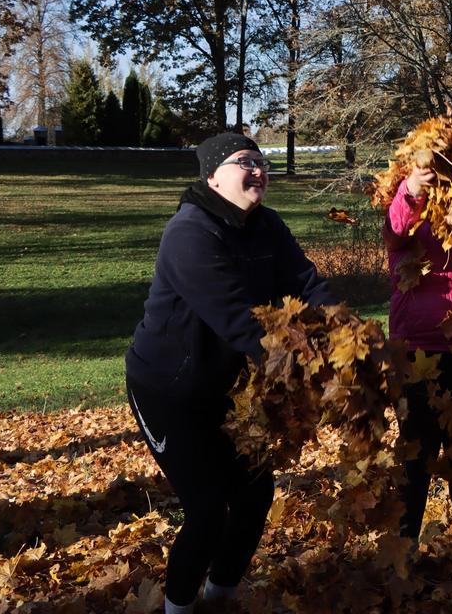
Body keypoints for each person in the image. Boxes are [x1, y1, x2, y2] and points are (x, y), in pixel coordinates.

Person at [125, 133, 337, 614]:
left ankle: (221, 597)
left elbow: (305, 283)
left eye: (262, 162)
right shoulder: (190, 233)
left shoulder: (267, 226)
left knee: (255, 494)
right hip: (168, 389)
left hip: (229, 388)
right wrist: (312, 363)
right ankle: (178, 608)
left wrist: (345, 335)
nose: (258, 170)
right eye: (246, 162)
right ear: (214, 175)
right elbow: (240, 322)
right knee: (207, 509)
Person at [383, 162, 452, 561]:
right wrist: (412, 188)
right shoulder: (403, 217)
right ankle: (404, 554)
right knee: (416, 456)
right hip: (414, 350)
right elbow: (396, 227)